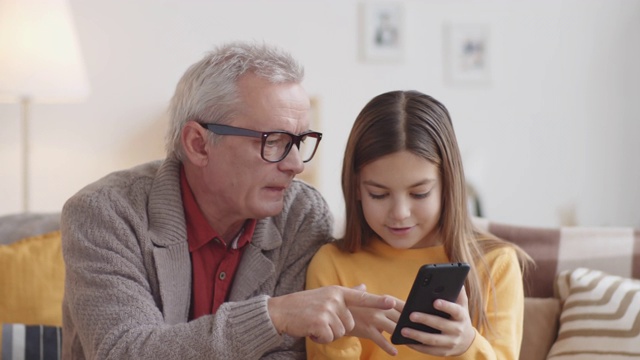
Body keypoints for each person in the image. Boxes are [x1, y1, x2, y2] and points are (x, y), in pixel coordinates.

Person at [60, 41, 395, 359]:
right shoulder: (103, 213)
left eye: (300, 140)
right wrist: (273, 316)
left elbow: (288, 355)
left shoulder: (301, 215)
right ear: (198, 144)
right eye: (274, 141)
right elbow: (124, 352)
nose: (296, 165)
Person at [305, 90, 533, 359]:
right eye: (378, 194)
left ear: (448, 185)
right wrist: (343, 333)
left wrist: (468, 346)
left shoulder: (496, 263)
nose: (400, 213)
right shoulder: (332, 264)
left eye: (419, 193)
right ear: (356, 188)